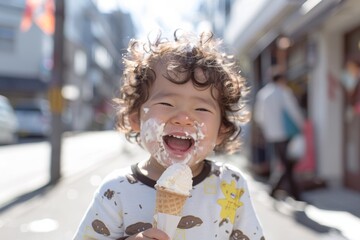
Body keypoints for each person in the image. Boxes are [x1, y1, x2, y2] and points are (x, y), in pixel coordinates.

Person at [73, 30, 265, 240]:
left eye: (201, 109)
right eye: (166, 103)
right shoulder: (116, 191)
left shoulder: (231, 185)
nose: (183, 118)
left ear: (222, 130)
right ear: (136, 118)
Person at [254, 71, 304, 201]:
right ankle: (292, 194)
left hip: (271, 134)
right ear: (281, 79)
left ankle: (277, 190)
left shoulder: (263, 94)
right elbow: (293, 111)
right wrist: (301, 125)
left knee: (284, 163)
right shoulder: (283, 92)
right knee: (288, 163)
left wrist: (266, 129)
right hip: (286, 133)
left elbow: (259, 117)